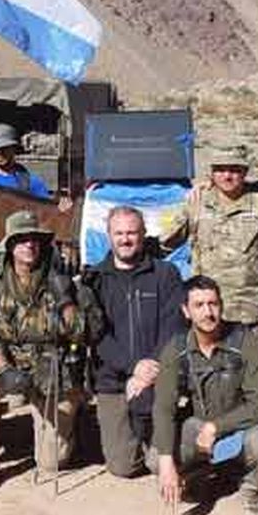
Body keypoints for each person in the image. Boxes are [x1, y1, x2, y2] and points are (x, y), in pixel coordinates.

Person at [0, 211, 103, 494]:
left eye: (35, 240)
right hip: (10, 359)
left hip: (51, 364)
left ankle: (69, 426)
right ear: (10, 245)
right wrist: (3, 369)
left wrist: (66, 298)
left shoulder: (60, 278)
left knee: (52, 461)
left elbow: (80, 331)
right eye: (21, 240)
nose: (29, 245)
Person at [151, 275, 258, 515]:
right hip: (200, 429)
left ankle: (252, 489)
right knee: (156, 458)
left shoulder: (247, 341)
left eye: (213, 304)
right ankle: (200, 476)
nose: (208, 312)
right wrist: (167, 464)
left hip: (246, 428)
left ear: (222, 305)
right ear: (186, 311)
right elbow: (163, 408)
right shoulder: (176, 347)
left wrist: (217, 426)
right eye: (199, 305)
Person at [88, 205, 187, 478]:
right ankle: (136, 439)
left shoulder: (166, 274)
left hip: (157, 375)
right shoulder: (95, 279)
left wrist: (149, 370)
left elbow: (174, 328)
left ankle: (158, 439)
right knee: (123, 467)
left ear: (144, 234)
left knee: (159, 464)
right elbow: (97, 336)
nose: (125, 239)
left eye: (132, 232)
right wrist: (132, 367)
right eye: (119, 233)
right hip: (114, 380)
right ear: (109, 235)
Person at [186, 145, 258, 337]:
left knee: (252, 365)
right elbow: (166, 240)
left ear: (245, 172)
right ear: (211, 173)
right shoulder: (197, 202)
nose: (227, 176)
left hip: (251, 315)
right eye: (220, 170)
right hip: (207, 313)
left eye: (234, 170)